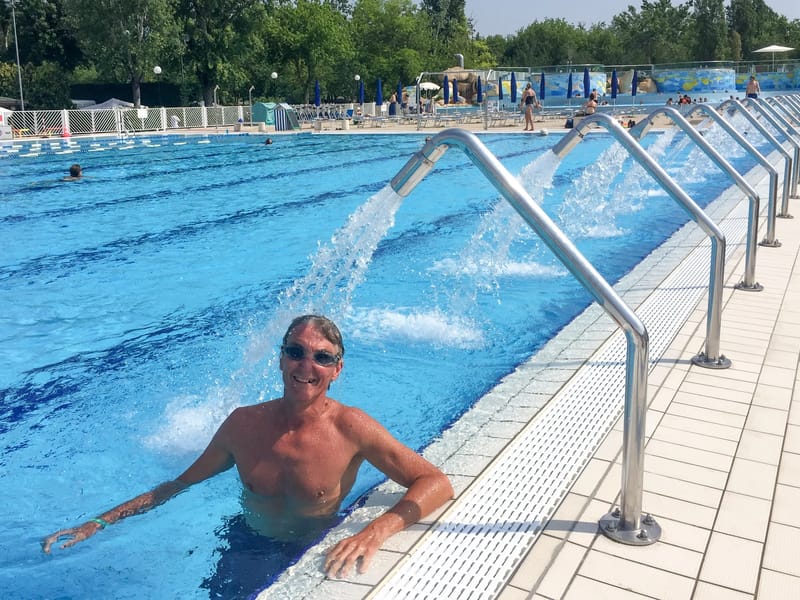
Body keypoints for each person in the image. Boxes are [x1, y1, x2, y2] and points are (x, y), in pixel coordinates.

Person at [42, 314, 454, 579]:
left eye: (321, 358)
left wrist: (375, 532)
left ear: (336, 370)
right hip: (247, 544)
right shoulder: (243, 425)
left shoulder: (353, 427)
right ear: (280, 360)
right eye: (296, 352)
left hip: (317, 546)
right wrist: (101, 522)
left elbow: (435, 482)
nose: (306, 366)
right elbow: (176, 485)